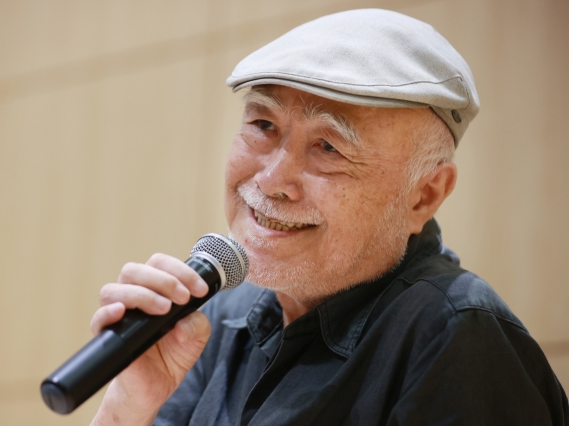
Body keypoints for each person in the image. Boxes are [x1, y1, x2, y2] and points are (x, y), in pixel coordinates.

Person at [90, 9, 568, 426]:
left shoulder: (456, 338)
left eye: (328, 146)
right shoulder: (216, 316)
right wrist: (128, 408)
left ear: (424, 196)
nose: (273, 180)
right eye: (262, 125)